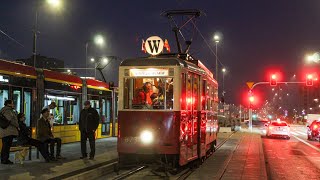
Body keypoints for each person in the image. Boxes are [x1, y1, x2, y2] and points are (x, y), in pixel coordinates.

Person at [0, 100, 19, 164]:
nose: (13, 105)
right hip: (8, 131)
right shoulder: (8, 111)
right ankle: (4, 160)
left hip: (6, 131)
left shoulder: (4, 110)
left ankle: (4, 159)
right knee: (6, 146)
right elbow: (9, 120)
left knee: (5, 146)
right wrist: (17, 124)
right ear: (9, 104)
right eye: (13, 103)